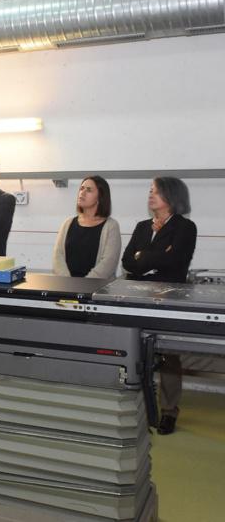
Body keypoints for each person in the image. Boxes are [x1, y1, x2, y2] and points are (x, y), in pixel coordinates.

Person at [121, 177, 197, 435]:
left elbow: (175, 262)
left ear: (171, 196)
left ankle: (169, 411)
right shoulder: (142, 226)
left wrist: (143, 257)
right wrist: (153, 258)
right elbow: (128, 262)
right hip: (137, 297)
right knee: (135, 350)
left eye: (156, 191)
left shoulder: (185, 227)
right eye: (150, 191)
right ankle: (139, 404)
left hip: (168, 298)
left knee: (168, 355)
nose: (150, 195)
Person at [52, 176, 121, 279]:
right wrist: (68, 283)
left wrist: (84, 285)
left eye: (89, 190)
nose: (82, 193)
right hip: (66, 285)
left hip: (97, 287)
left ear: (100, 197)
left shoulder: (111, 226)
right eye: (81, 188)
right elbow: (58, 256)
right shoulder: (68, 223)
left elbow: (108, 263)